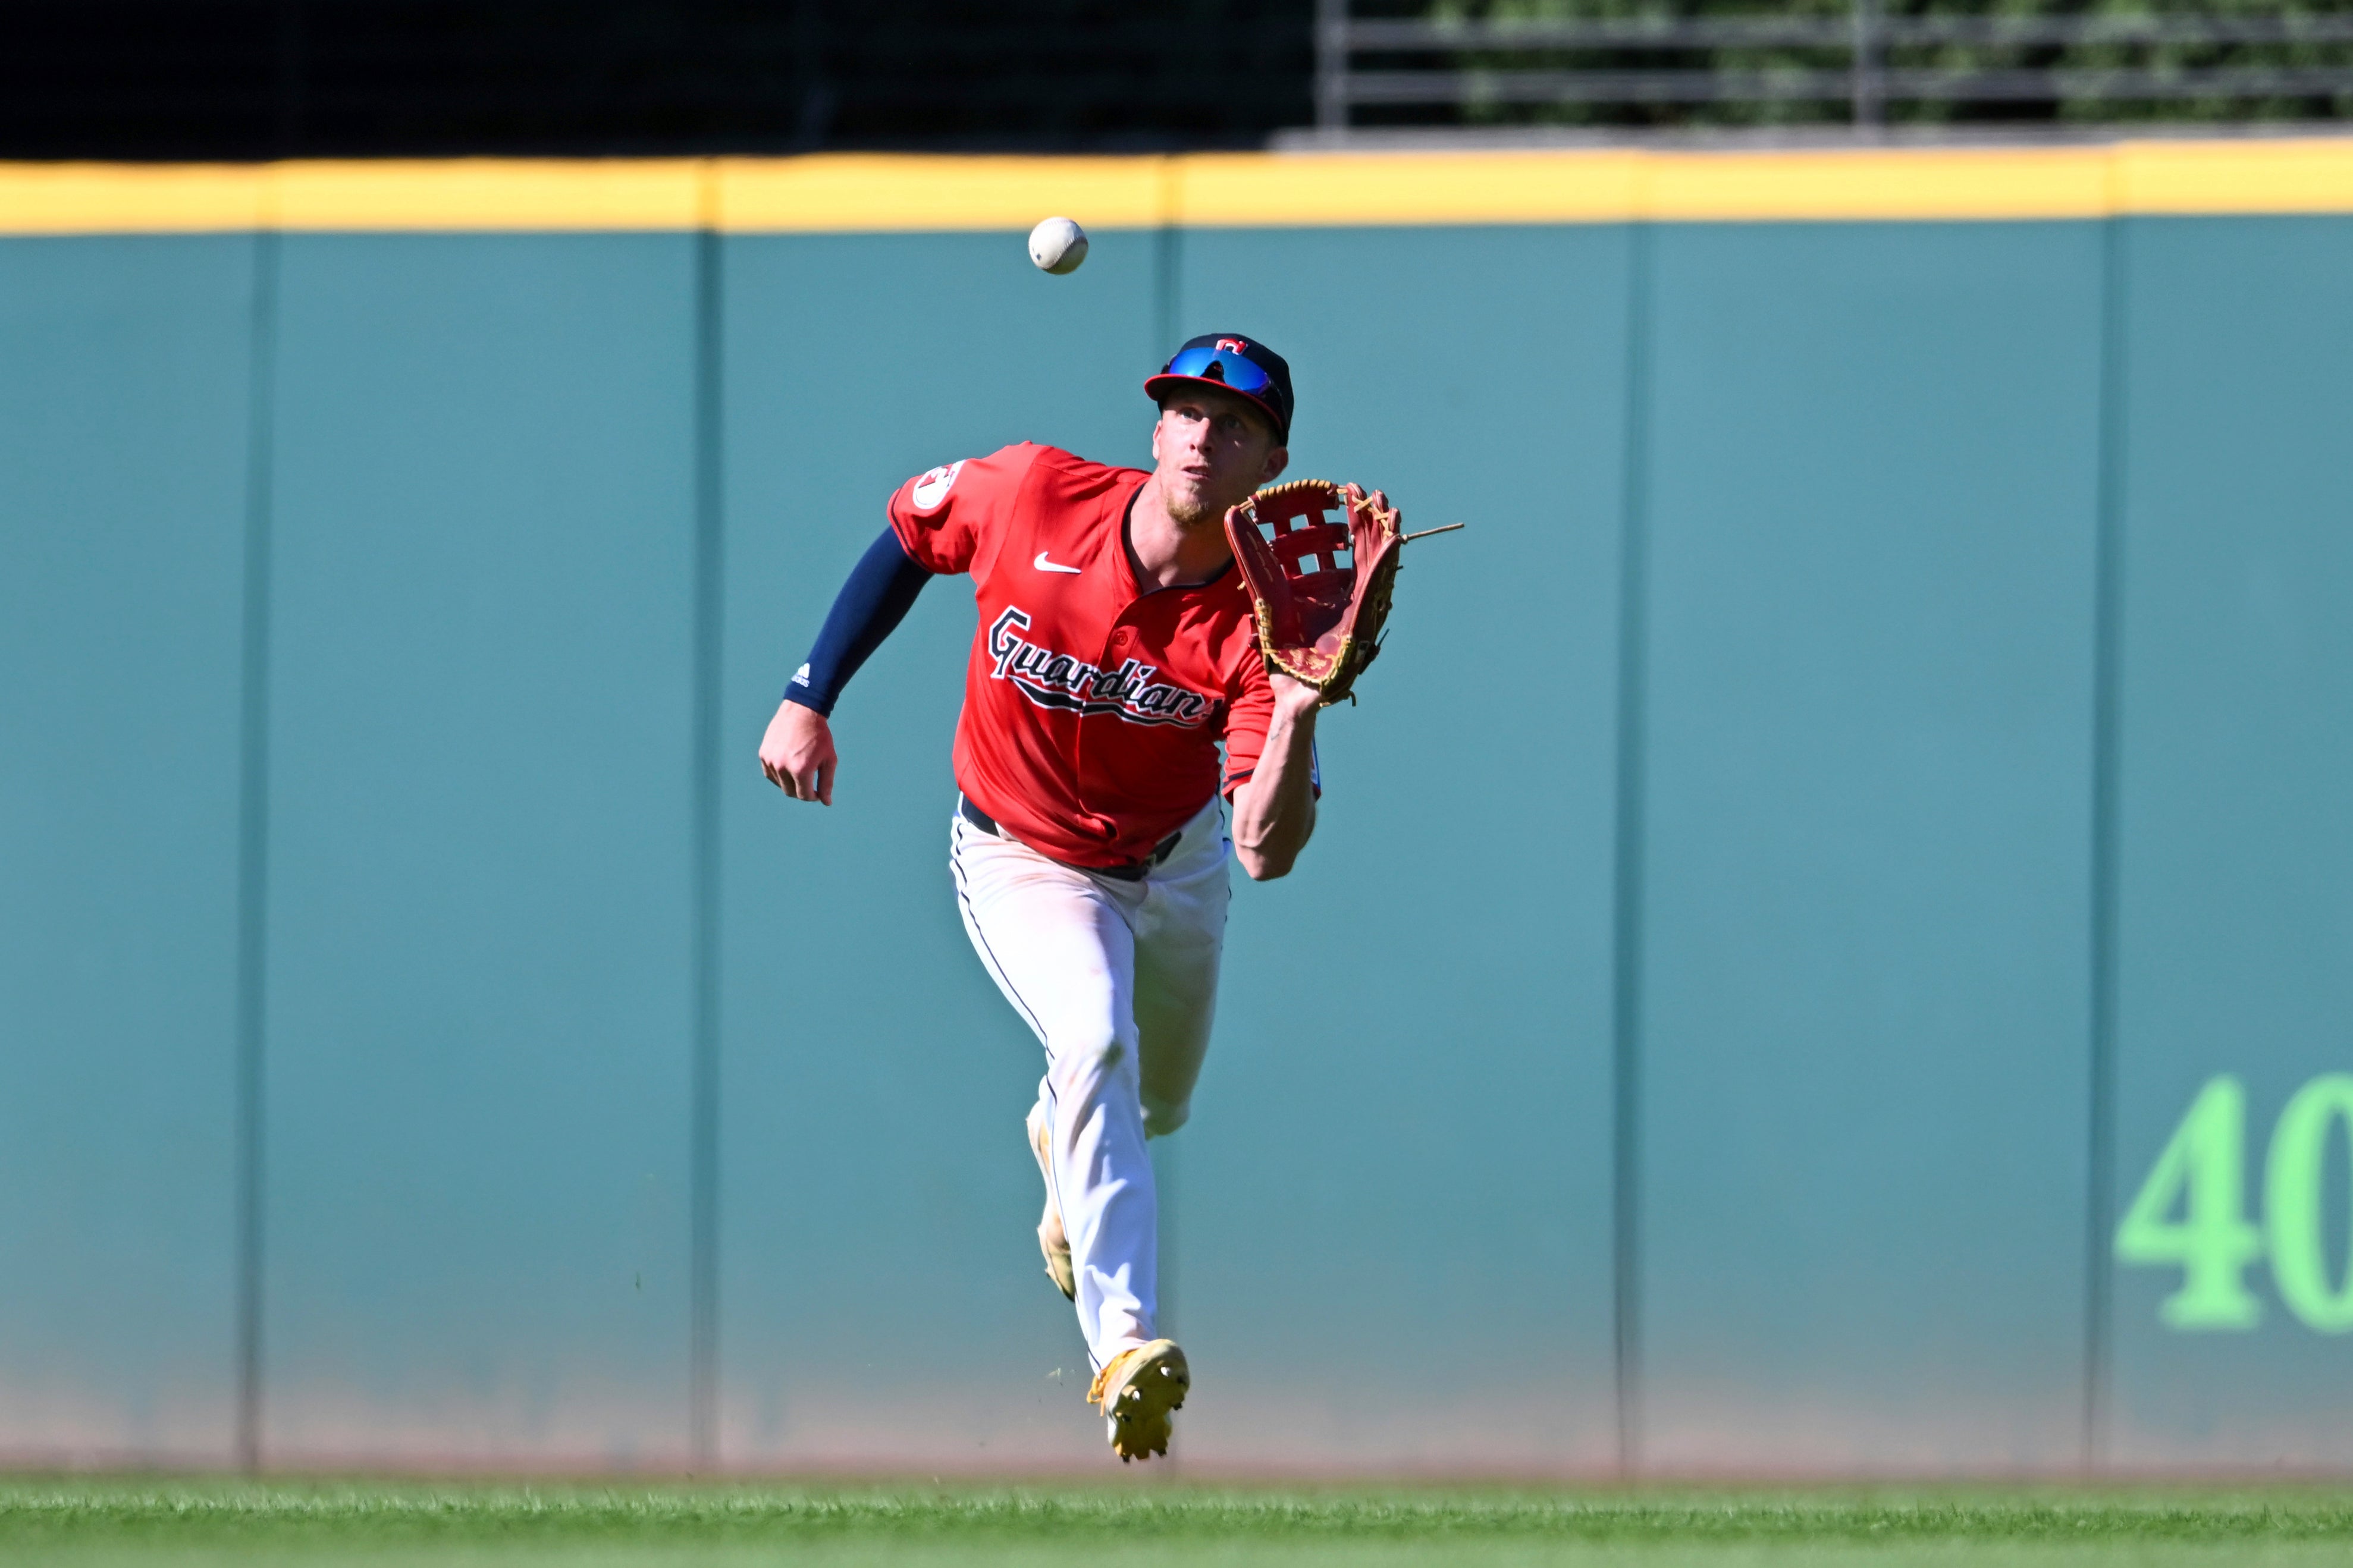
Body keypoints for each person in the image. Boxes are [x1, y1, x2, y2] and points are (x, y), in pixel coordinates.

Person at [759, 335, 1363, 1463]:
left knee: (1158, 1103)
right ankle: (1123, 1346)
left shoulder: (1263, 622)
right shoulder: (1035, 493)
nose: (1201, 433)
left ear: (1272, 459)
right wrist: (811, 693)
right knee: (1093, 1041)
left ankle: (1064, 1138)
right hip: (1023, 855)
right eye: (1185, 409)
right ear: (1154, 430)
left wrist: (1295, 711)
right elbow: (908, 531)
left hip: (1175, 864)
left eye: (1232, 422)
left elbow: (1265, 852)